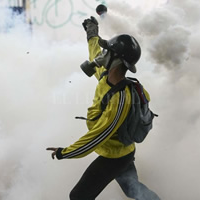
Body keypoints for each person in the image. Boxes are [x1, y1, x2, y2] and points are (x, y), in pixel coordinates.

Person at [47, 16, 161, 200]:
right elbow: (94, 54)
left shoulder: (121, 98)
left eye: (107, 51)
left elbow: (100, 135)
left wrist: (65, 152)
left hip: (114, 156)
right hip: (124, 150)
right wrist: (92, 34)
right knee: (133, 190)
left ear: (116, 60)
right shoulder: (105, 75)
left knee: (78, 196)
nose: (102, 54)